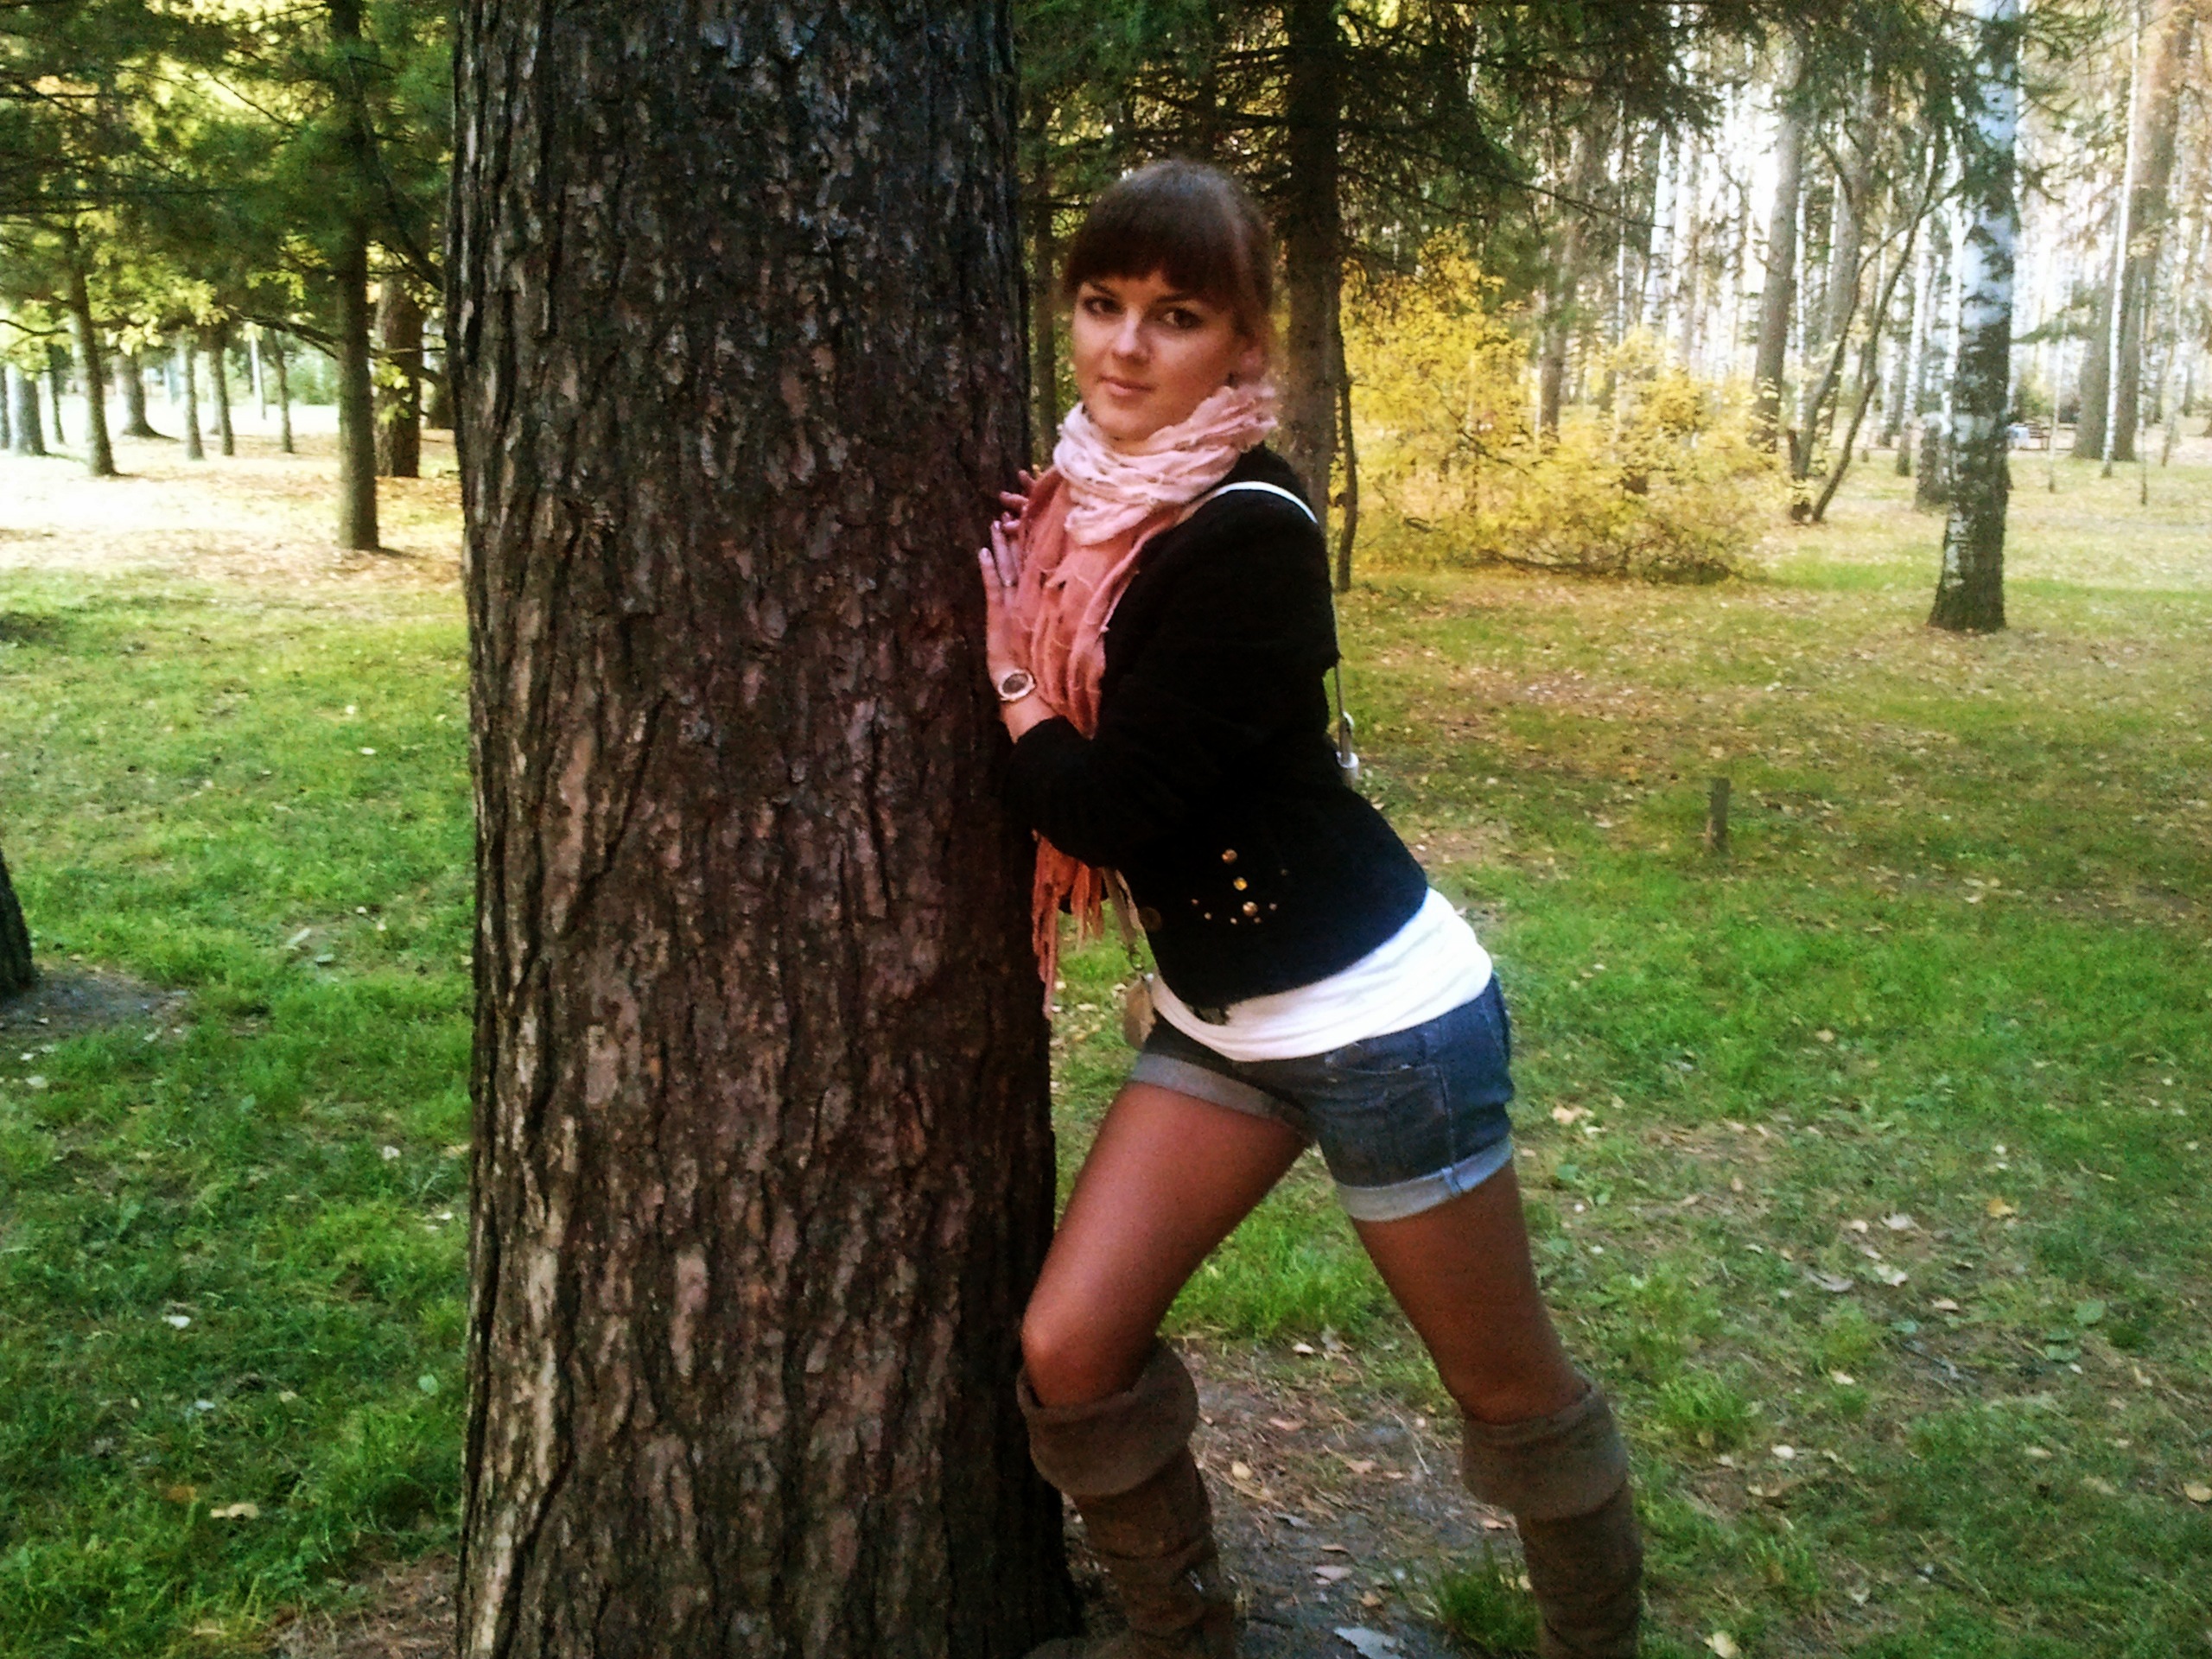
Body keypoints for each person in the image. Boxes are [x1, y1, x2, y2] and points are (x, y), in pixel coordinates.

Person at [976, 160, 1642, 1659]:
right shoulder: (1078, 507)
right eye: (1102, 302)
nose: (1126, 345)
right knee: (1069, 1347)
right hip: (1222, 1019)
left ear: (1243, 343)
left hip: (1385, 1025)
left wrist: (1013, 675)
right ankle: (1181, 1636)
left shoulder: (1250, 532)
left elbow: (1106, 808)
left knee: (1507, 1391)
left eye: (1177, 315)